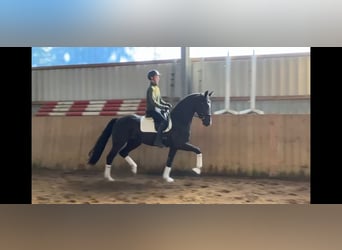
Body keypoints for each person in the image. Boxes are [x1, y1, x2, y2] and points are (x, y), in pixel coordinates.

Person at [145, 69, 172, 147]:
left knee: (168, 117)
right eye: (157, 77)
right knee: (164, 121)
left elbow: (160, 100)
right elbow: (153, 102)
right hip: (152, 110)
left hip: (157, 109)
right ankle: (158, 140)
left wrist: (166, 104)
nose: (158, 78)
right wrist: (163, 106)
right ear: (152, 78)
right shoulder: (151, 89)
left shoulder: (157, 88)